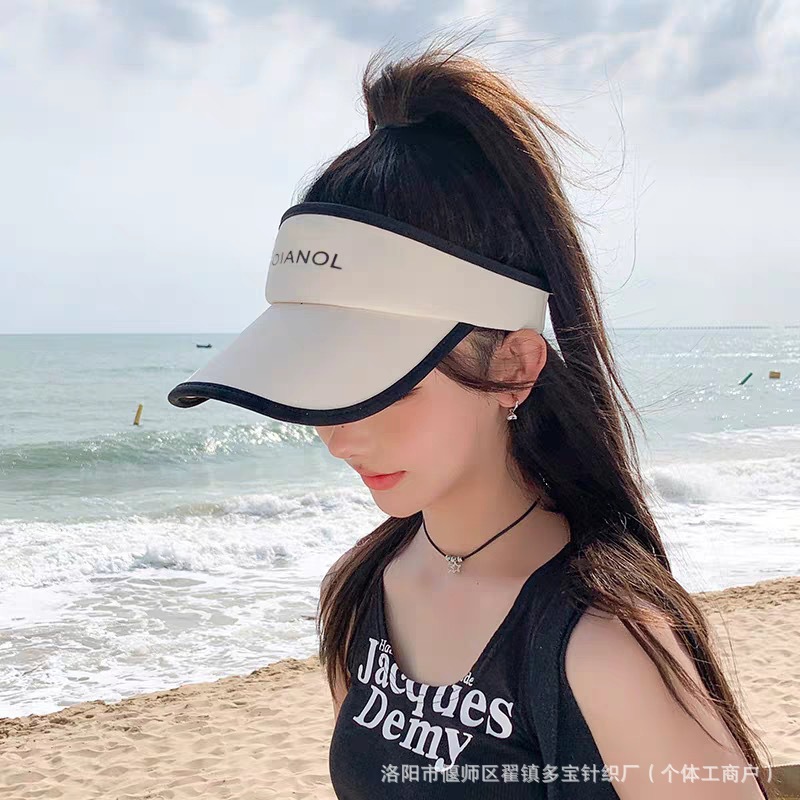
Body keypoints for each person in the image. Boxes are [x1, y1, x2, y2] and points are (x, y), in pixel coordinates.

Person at [167, 35, 775, 800]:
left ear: (514, 366)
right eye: (324, 384)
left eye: (381, 386)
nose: (339, 436)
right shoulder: (360, 592)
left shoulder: (602, 645)